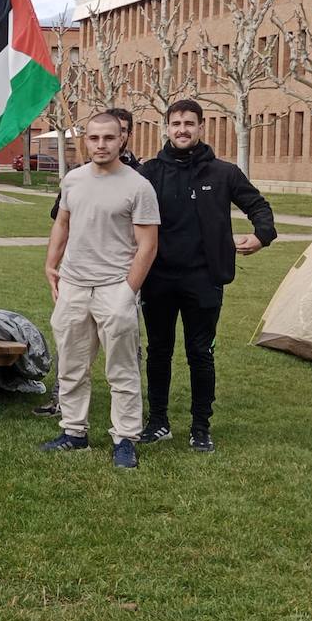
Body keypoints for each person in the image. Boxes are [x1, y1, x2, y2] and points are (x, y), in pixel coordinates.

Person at [137, 99, 277, 453]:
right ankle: (158, 422)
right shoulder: (149, 172)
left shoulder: (223, 173)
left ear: (201, 127)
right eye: (175, 124)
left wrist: (262, 236)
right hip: (158, 278)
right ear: (166, 128)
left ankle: (201, 427)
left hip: (204, 279)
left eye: (189, 123)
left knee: (200, 353)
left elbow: (258, 205)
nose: (182, 129)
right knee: (159, 352)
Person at [40, 111, 159, 469]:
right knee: (72, 366)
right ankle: (74, 432)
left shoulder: (138, 186)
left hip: (114, 288)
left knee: (122, 370)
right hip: (74, 286)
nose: (101, 144)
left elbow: (148, 245)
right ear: (85, 140)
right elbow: (63, 222)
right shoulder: (73, 180)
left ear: (121, 139)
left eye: (109, 138)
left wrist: (127, 291)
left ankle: (125, 438)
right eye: (94, 138)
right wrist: (51, 264)